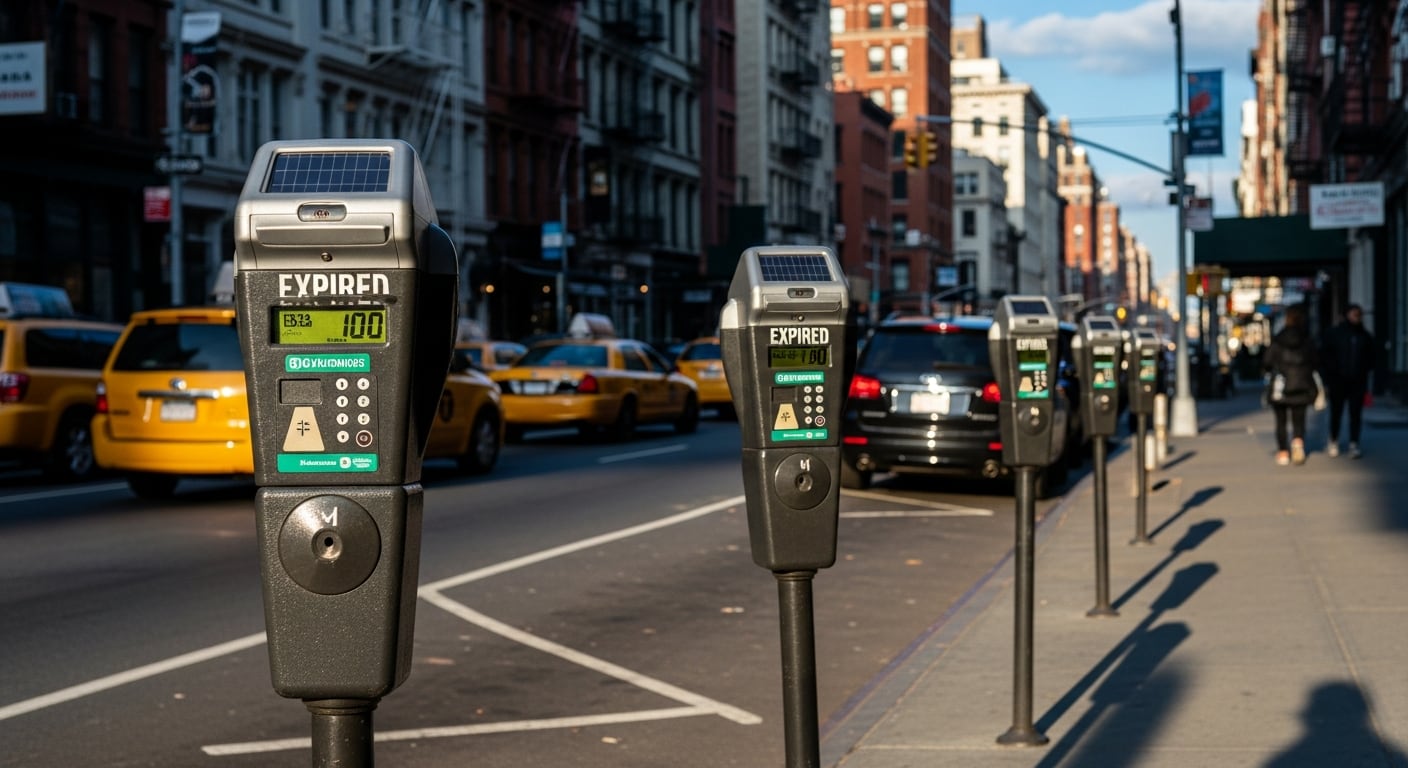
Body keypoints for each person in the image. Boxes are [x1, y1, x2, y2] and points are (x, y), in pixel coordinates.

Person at [1262, 304, 1319, 465]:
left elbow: (1267, 361)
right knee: (1299, 419)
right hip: (1302, 384)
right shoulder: (1307, 340)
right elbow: (1316, 361)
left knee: (1281, 421)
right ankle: (1297, 443)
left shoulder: (1278, 340)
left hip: (1281, 386)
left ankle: (1282, 452)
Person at [1320, 303, 1375, 458]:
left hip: (1358, 381)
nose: (1357, 318)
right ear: (1346, 315)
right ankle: (1334, 440)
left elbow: (1372, 358)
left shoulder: (1364, 335)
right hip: (1338, 381)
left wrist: (1364, 372)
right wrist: (1329, 377)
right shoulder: (1334, 334)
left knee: (1355, 414)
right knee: (1336, 413)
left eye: (1359, 315)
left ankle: (1354, 443)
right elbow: (1325, 356)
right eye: (1354, 314)